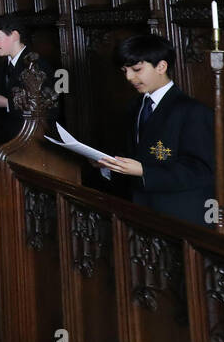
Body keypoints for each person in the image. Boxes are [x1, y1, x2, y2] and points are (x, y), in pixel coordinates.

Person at [92, 34, 215, 228]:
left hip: (180, 215)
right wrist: (110, 165)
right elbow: (137, 154)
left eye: (136, 69)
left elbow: (201, 171)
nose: (129, 77)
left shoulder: (193, 111)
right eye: (125, 70)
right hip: (141, 211)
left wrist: (143, 171)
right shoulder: (135, 106)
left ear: (161, 66)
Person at [0, 14, 55, 139]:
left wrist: (7, 103)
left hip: (32, 137)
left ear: (15, 35)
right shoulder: (4, 65)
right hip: (8, 134)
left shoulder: (37, 64)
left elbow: (49, 108)